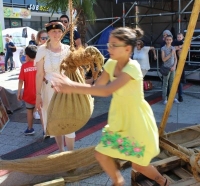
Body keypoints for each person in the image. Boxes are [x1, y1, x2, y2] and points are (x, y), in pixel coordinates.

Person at [51, 27, 169, 186]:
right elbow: (97, 87)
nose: (109, 48)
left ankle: (163, 181)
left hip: (136, 121)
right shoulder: (111, 64)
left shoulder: (132, 67)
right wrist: (73, 76)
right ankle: (118, 181)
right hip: (119, 119)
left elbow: (106, 91)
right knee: (101, 154)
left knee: (138, 164)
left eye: (114, 45)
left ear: (127, 49)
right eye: (109, 44)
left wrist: (71, 86)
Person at [35, 20, 75, 152]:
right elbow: (40, 74)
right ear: (48, 33)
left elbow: (73, 70)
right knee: (56, 123)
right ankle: (61, 151)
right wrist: (38, 95)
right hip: (48, 91)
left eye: (59, 31)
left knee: (69, 123)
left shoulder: (68, 49)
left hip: (65, 90)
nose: (56, 34)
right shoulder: (42, 50)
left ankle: (70, 154)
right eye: (53, 31)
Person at [17, 45, 37, 135]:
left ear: (27, 56)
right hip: (40, 94)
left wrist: (18, 93)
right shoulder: (40, 65)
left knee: (29, 111)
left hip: (28, 94)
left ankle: (30, 128)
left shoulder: (24, 67)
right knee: (42, 111)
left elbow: (21, 81)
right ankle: (46, 131)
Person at [161, 35, 179, 105]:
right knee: (165, 84)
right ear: (165, 40)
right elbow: (163, 59)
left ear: (172, 40)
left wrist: (174, 66)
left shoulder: (173, 48)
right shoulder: (163, 48)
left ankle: (172, 97)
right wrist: (171, 53)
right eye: (167, 39)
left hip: (172, 68)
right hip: (166, 68)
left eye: (170, 40)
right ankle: (164, 98)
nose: (168, 41)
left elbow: (175, 58)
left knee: (172, 83)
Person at [173, 33, 185, 102]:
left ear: (182, 37)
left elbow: (187, 46)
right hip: (175, 63)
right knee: (175, 81)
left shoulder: (183, 42)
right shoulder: (174, 42)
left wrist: (180, 47)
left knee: (179, 81)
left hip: (180, 64)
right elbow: (174, 48)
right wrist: (180, 47)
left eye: (180, 37)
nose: (179, 38)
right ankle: (175, 96)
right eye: (178, 37)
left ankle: (180, 96)